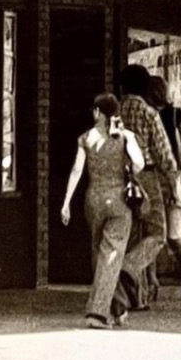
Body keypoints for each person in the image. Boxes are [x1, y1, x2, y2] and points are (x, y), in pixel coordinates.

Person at [60, 94, 145, 329]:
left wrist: (66, 201)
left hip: (93, 200)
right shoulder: (125, 136)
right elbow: (140, 164)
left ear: (97, 112)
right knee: (111, 255)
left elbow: (77, 170)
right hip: (118, 200)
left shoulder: (86, 138)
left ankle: (117, 309)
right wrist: (127, 164)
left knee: (100, 254)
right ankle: (97, 313)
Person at [116, 65, 180, 309]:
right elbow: (163, 154)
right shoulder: (149, 113)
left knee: (131, 235)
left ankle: (135, 299)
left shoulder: (114, 111)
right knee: (156, 234)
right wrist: (173, 185)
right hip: (146, 176)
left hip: (119, 177)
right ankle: (129, 267)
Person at [147, 75, 181, 296]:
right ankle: (151, 280)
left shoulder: (176, 115)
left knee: (173, 236)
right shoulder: (149, 114)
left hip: (175, 177)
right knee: (152, 233)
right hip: (155, 177)